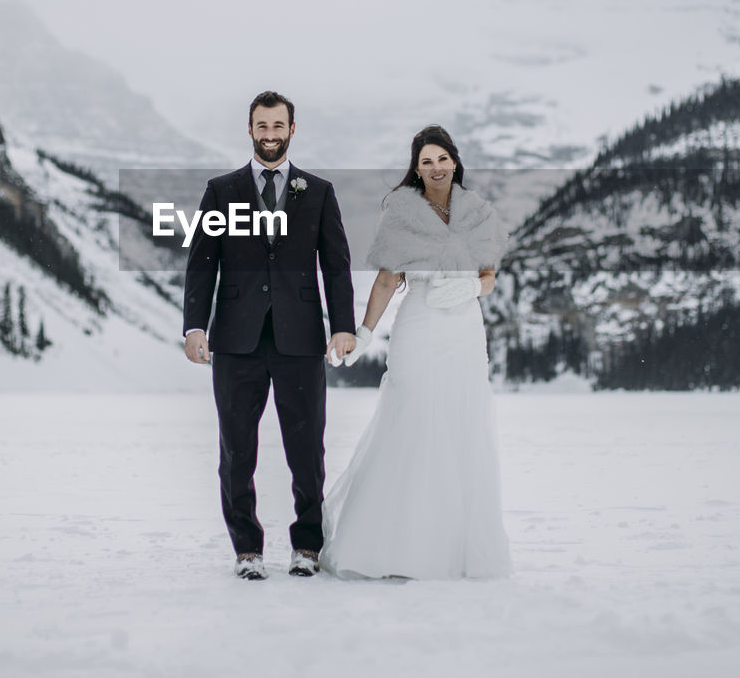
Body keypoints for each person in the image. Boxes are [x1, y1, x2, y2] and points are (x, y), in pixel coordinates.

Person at [320, 124, 512, 580]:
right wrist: (364, 331)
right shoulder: (402, 211)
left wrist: (473, 286)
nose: (435, 167)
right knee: (412, 418)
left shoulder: (478, 212)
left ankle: (450, 549)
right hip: (420, 324)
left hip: (464, 327)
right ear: (417, 168)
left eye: (442, 159)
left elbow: (489, 273)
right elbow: (388, 278)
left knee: (459, 424)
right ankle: (391, 547)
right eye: (426, 161)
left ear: (454, 161)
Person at [183, 91, 356, 580]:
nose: (270, 134)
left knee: (307, 449)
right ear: (251, 128)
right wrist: (195, 325)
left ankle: (307, 546)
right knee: (236, 448)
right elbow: (201, 264)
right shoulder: (221, 191)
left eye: (278, 125)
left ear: (292, 129)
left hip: (300, 339)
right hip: (235, 340)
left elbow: (337, 266)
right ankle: (247, 549)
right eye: (262, 125)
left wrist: (342, 326)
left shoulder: (318, 192)